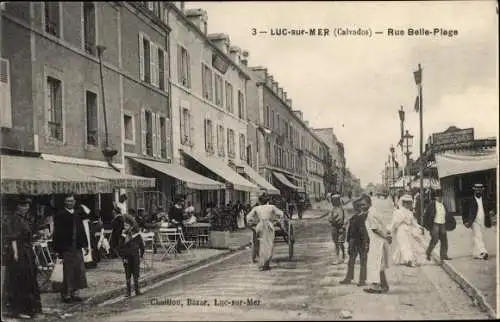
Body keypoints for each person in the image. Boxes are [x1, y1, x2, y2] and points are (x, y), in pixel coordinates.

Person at [2, 196, 42, 319]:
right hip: (18, 252)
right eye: (22, 205)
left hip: (27, 251)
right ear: (17, 206)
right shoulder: (13, 219)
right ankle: (17, 309)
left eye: (27, 206)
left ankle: (29, 308)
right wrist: (15, 254)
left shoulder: (24, 219)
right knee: (19, 279)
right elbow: (13, 238)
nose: (25, 208)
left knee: (29, 278)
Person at [52, 194, 90, 303]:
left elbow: (81, 230)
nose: (70, 203)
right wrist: (57, 250)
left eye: (72, 201)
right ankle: (66, 294)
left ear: (74, 202)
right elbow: (57, 233)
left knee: (77, 270)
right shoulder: (60, 215)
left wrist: (85, 245)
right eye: (68, 201)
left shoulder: (77, 214)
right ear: (65, 202)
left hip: (77, 246)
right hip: (66, 247)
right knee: (67, 271)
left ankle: (74, 292)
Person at [363, 194, 392, 294]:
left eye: (364, 204)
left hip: (377, 242)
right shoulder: (374, 211)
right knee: (378, 264)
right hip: (379, 241)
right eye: (361, 205)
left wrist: (386, 237)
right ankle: (382, 285)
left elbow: (375, 229)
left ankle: (379, 286)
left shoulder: (371, 214)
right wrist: (387, 235)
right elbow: (383, 224)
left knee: (376, 264)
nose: (362, 206)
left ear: (369, 203)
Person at [246, 194, 284, 271]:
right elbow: (281, 214)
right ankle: (266, 264)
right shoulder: (271, 207)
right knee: (268, 245)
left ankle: (261, 264)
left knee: (261, 245)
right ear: (267, 201)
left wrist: (251, 224)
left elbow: (248, 217)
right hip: (269, 226)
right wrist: (278, 221)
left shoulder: (256, 208)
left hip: (259, 226)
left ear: (259, 201)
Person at [339, 197, 369, 286]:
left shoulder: (365, 217)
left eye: (356, 207)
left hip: (362, 242)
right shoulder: (353, 217)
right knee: (351, 261)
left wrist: (366, 242)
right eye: (354, 207)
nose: (355, 209)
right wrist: (348, 241)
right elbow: (350, 230)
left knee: (363, 261)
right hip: (353, 241)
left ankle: (362, 280)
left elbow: (365, 232)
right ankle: (349, 278)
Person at [423, 189, 454, 263]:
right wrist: (427, 227)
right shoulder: (432, 205)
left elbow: (447, 214)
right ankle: (428, 252)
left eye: (441, 196)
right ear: (435, 197)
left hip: (443, 224)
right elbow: (426, 216)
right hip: (435, 224)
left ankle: (443, 256)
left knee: (444, 240)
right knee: (435, 240)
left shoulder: (443, 205)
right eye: (438, 196)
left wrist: (450, 222)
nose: (440, 198)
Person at [117, 215, 144, 297]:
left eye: (127, 225)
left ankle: (137, 290)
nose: (125, 227)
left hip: (135, 257)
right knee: (127, 273)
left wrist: (141, 255)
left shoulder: (137, 236)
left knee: (136, 273)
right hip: (126, 258)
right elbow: (120, 248)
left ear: (131, 226)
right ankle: (128, 292)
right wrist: (123, 257)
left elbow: (142, 246)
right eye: (124, 225)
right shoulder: (123, 236)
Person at [463, 183, 492, 260]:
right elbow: (464, 211)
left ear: (482, 190)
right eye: (477, 190)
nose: (478, 191)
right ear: (474, 190)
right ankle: (483, 251)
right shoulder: (470, 200)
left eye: (480, 189)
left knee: (477, 236)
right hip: (474, 221)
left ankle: (476, 253)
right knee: (478, 235)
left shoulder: (486, 199)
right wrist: (465, 221)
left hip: (483, 220)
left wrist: (492, 212)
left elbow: (492, 207)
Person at [390, 195, 419, 267]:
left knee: (405, 245)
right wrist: (392, 229)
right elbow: (395, 222)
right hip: (401, 230)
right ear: (404, 203)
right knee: (405, 245)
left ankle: (398, 258)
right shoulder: (398, 212)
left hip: (409, 230)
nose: (409, 205)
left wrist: (418, 226)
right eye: (408, 203)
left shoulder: (410, 212)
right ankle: (409, 260)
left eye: (410, 203)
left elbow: (413, 222)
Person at [328, 194, 347, 265]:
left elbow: (346, 218)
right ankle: (337, 258)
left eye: (336, 200)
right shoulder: (332, 209)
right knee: (336, 244)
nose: (334, 202)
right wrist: (332, 219)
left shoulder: (343, 209)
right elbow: (329, 218)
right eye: (333, 201)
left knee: (341, 243)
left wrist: (343, 226)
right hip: (334, 227)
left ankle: (344, 257)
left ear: (338, 201)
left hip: (341, 227)